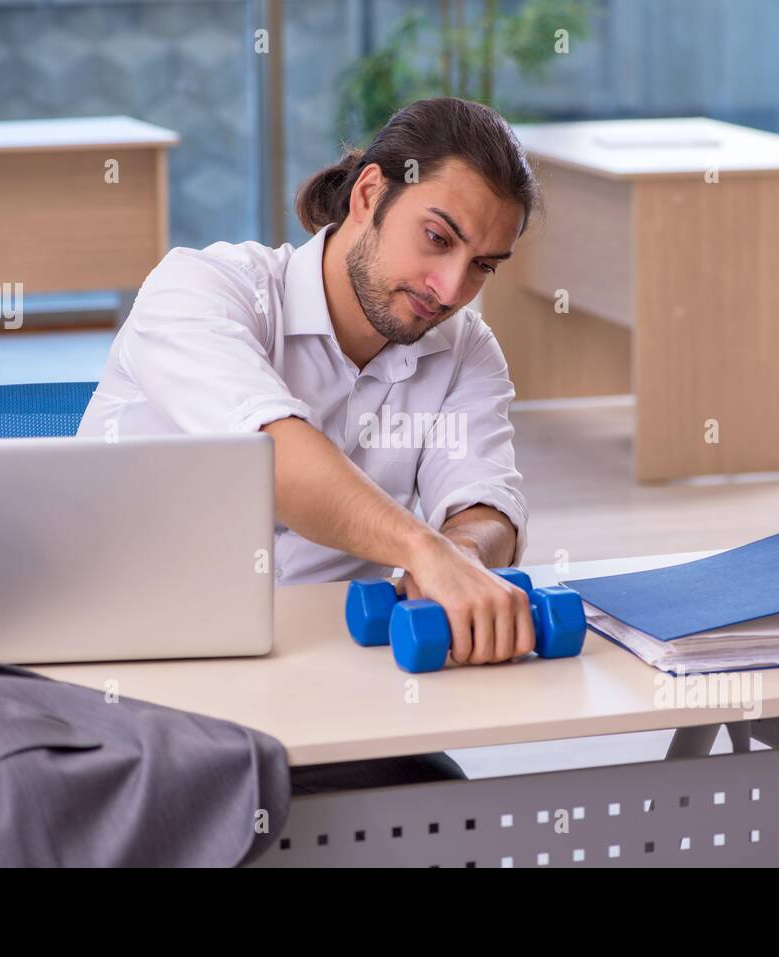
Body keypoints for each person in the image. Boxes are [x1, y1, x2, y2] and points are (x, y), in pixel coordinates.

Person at [79, 96, 543, 792]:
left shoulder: (466, 350)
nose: (451, 289)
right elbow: (273, 462)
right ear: (369, 194)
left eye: (483, 265)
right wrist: (425, 550)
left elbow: (487, 501)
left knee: (439, 806)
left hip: (330, 684)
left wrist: (467, 556)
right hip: (137, 684)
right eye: (438, 239)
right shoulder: (200, 289)